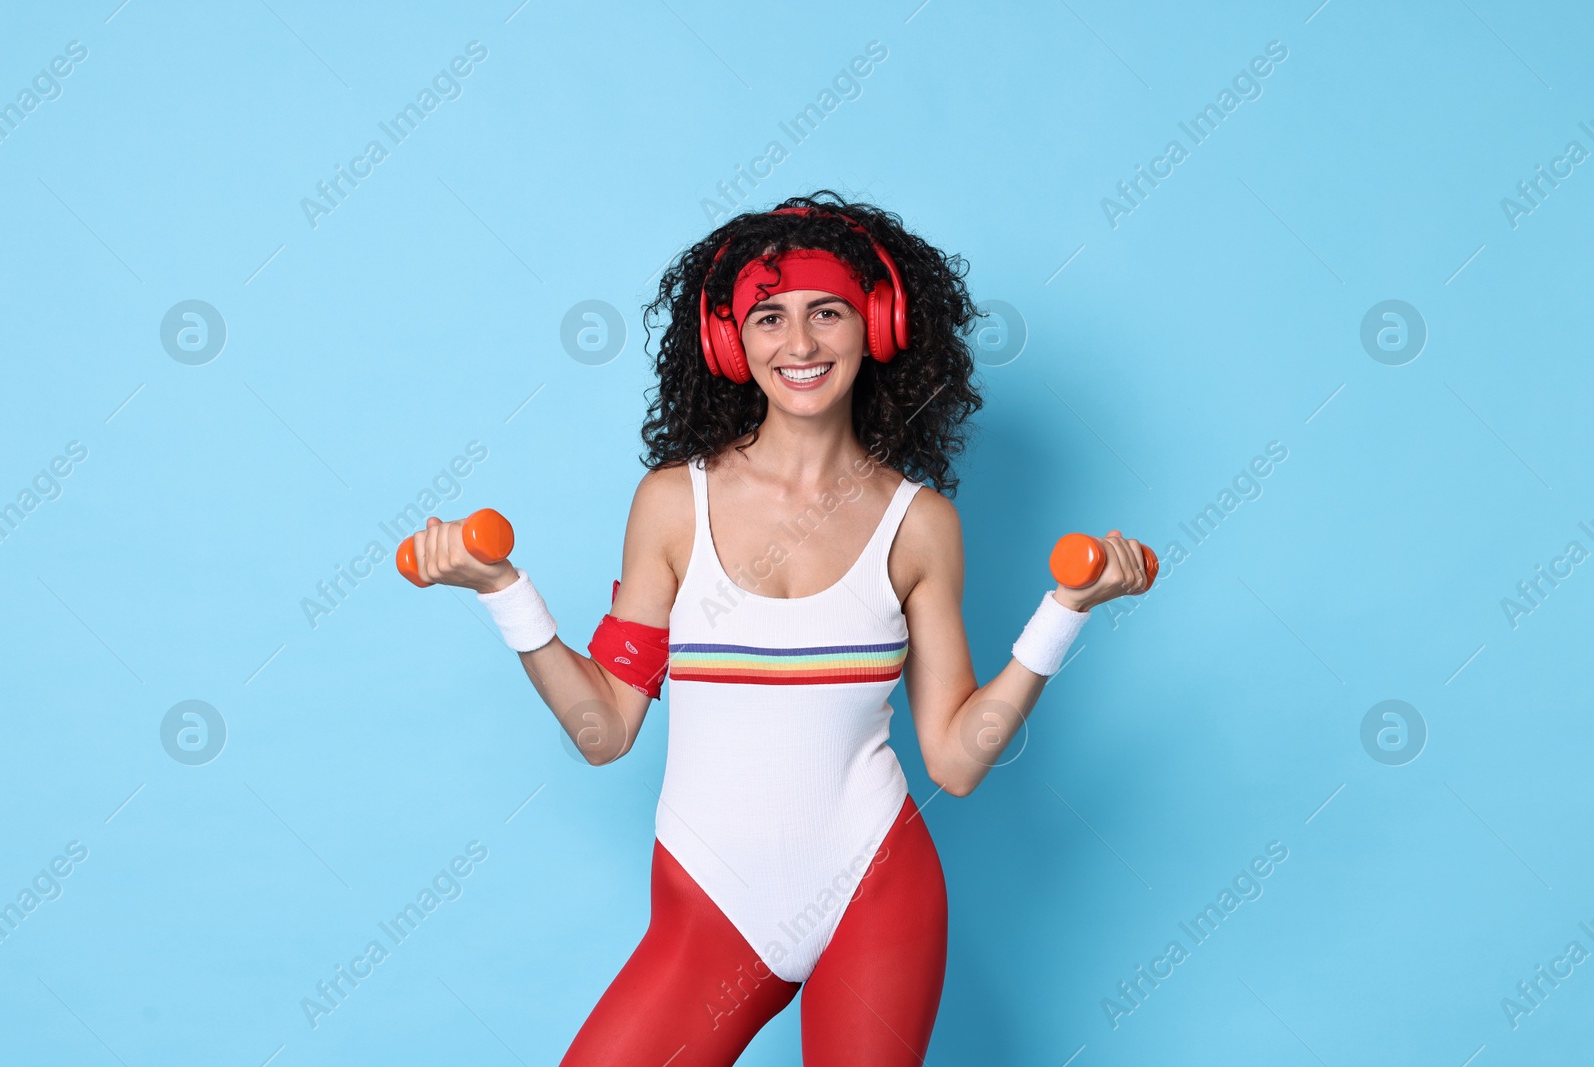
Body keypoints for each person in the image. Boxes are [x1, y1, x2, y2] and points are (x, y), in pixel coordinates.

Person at [409, 191, 1151, 1065]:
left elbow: (954, 756)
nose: (799, 345)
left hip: (876, 890)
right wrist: (503, 590)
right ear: (732, 340)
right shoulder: (671, 506)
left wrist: (1065, 612)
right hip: (710, 900)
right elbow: (603, 729)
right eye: (769, 318)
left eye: (826, 313)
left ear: (875, 324)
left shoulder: (919, 524)